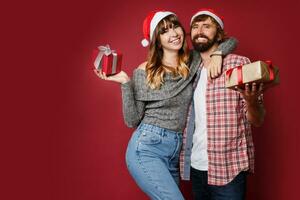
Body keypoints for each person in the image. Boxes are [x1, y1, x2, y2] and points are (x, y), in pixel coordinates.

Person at [94, 10, 236, 200]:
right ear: (157, 40)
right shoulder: (145, 71)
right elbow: (132, 120)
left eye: (175, 26)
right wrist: (126, 83)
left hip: (175, 152)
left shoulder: (192, 61)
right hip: (147, 147)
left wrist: (218, 54)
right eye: (165, 31)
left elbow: (232, 41)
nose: (174, 34)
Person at [179, 8, 266, 200]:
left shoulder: (239, 64)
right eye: (195, 26)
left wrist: (251, 102)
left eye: (206, 26)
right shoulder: (190, 70)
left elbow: (258, 120)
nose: (199, 30)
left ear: (219, 35)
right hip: (195, 166)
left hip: (229, 168)